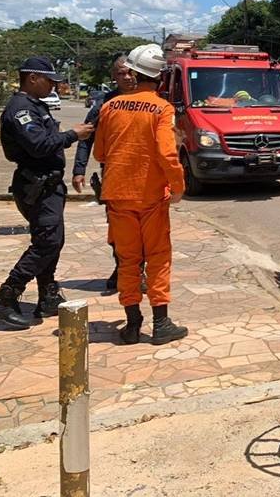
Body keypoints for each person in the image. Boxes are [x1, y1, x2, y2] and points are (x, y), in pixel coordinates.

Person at [0, 58, 93, 329]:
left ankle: (47, 295)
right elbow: (39, 145)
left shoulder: (36, 106)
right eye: (50, 80)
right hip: (36, 184)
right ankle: (6, 295)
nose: (54, 85)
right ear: (33, 78)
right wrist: (73, 134)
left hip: (47, 184)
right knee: (47, 241)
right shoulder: (20, 109)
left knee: (52, 240)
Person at [93, 44, 187, 345]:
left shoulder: (109, 107)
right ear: (159, 77)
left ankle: (132, 324)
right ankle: (161, 324)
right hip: (150, 199)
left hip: (118, 196)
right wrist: (177, 188)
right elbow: (167, 153)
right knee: (158, 258)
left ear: (132, 73)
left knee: (127, 260)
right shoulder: (162, 109)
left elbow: (101, 153)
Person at [72, 55, 137, 290]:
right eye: (121, 73)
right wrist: (79, 170)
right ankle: (122, 268)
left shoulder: (151, 99)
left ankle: (137, 272)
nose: (127, 77)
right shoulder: (104, 103)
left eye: (131, 72)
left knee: (145, 228)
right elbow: (85, 136)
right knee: (117, 227)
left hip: (145, 176)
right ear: (114, 76)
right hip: (113, 176)